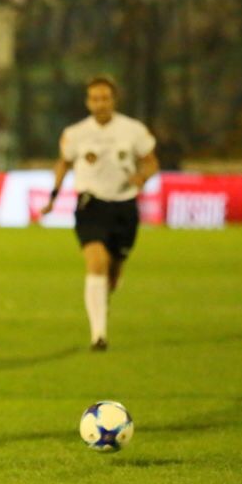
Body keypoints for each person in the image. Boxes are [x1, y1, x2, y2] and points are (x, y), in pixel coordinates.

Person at [42, 76, 158, 350]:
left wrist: (142, 178)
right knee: (96, 263)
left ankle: (100, 307)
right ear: (88, 102)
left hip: (124, 207)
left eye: (105, 98)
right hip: (90, 205)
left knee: (113, 274)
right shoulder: (76, 133)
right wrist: (54, 196)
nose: (100, 103)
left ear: (113, 100)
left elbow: (151, 162)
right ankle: (99, 335)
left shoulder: (134, 130)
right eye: (95, 98)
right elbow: (63, 163)